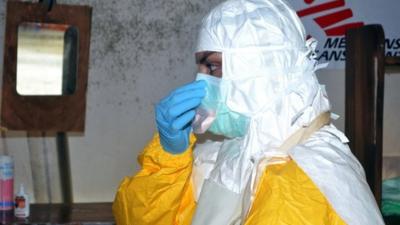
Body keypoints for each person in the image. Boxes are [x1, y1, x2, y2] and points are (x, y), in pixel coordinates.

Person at [113, 0, 385, 224]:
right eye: (201, 68)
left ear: (260, 70)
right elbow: (143, 217)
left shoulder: (302, 180)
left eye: (213, 67)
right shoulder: (234, 152)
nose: (201, 82)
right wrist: (169, 156)